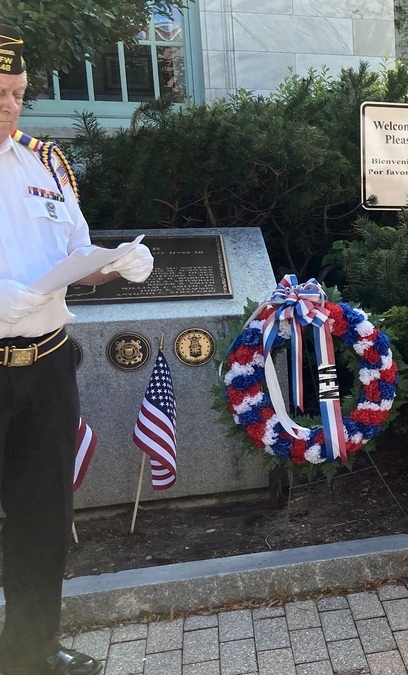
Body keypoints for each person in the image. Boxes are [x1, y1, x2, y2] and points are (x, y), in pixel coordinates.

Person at [1, 22, 154, 675]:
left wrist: (115, 265)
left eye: (17, 93)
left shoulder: (46, 163)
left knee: (41, 515)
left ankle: (30, 652)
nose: (11, 105)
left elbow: (75, 256)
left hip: (46, 364)